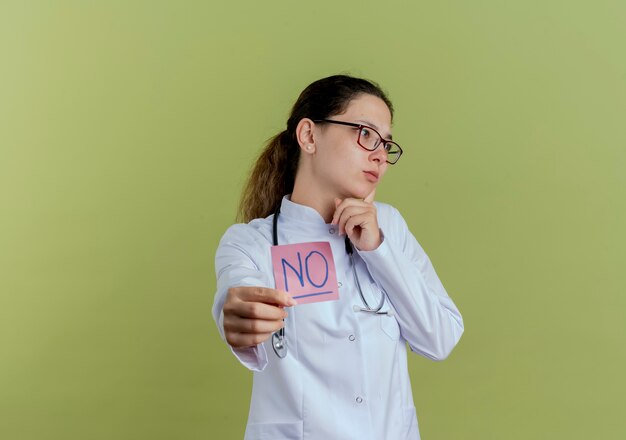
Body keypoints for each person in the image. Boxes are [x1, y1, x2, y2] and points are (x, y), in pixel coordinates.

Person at [212, 74, 464, 440]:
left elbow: (440, 339)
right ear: (309, 136)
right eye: (365, 133)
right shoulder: (252, 243)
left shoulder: (389, 227)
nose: (380, 154)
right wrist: (234, 318)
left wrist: (378, 250)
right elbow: (237, 297)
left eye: (386, 144)